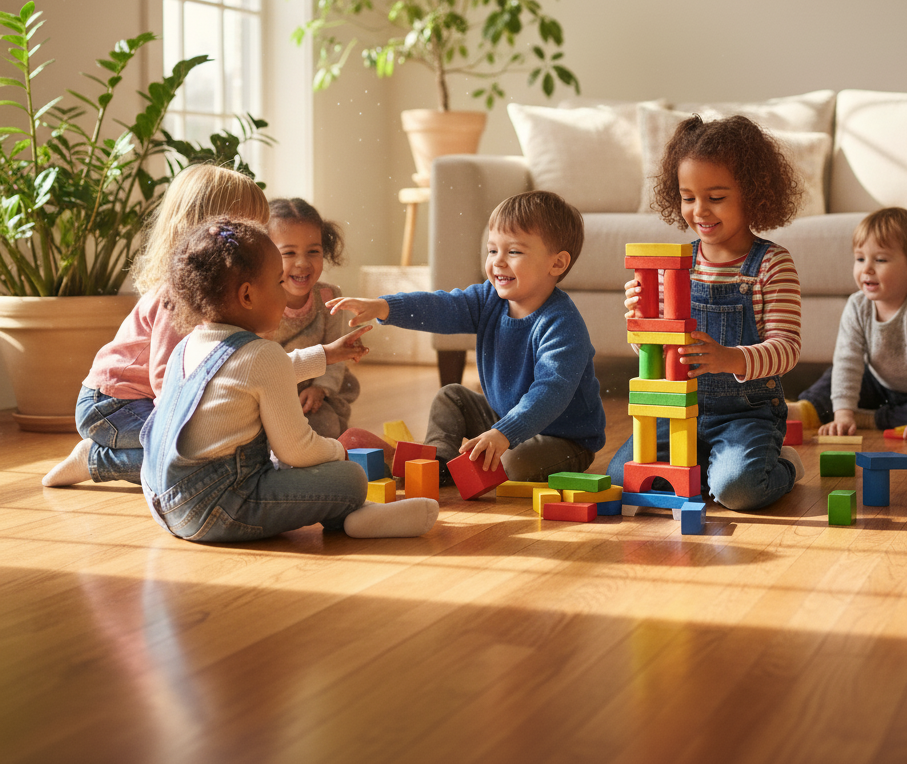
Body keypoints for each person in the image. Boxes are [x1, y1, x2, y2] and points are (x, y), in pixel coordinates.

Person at [140, 218, 438, 541]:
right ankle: (356, 515)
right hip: (218, 507)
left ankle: (353, 518)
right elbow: (296, 449)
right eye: (279, 282)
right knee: (350, 477)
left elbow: (266, 371)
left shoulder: (188, 346)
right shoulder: (260, 356)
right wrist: (339, 451)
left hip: (164, 503)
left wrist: (326, 355)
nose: (285, 293)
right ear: (247, 295)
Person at [330, 191, 606, 484]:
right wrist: (384, 307)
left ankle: (482, 460)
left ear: (557, 264)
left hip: (563, 437)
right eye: (492, 250)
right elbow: (440, 307)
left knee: (515, 465)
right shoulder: (487, 299)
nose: (498, 262)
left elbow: (549, 393)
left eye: (513, 252)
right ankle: (439, 461)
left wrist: (504, 434)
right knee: (451, 396)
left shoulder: (562, 324)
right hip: (503, 420)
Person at [609, 114, 805, 512]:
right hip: (677, 411)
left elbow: (787, 349)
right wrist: (641, 323)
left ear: (752, 195)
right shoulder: (676, 266)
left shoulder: (771, 264)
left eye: (716, 198)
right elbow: (654, 355)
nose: (700, 210)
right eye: (687, 197)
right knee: (621, 477)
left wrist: (729, 357)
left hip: (744, 414)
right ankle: (702, 470)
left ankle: (783, 465)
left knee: (739, 490)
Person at [42, 165, 273, 487]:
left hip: (136, 401)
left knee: (213, 446)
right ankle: (96, 460)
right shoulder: (180, 297)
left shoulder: (217, 296)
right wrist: (186, 426)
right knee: (194, 457)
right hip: (111, 405)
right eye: (245, 232)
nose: (259, 242)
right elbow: (166, 375)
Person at [790, 208, 907, 441]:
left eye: (881, 260)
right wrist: (843, 414)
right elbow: (848, 360)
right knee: (836, 373)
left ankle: (871, 419)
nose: (867, 268)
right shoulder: (857, 306)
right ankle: (809, 409)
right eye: (860, 258)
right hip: (881, 382)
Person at [263, 198, 360, 439]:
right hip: (267, 396)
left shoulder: (328, 296)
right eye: (289, 253)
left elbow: (337, 355)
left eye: (313, 252)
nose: (303, 263)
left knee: (325, 427)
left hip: (312, 394)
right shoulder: (256, 300)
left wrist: (320, 388)